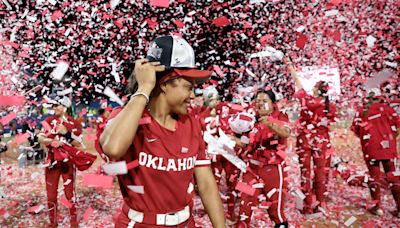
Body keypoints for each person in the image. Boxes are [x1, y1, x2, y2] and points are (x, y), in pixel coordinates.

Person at [97, 35, 225, 227]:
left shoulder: (191, 123)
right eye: (189, 87)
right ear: (165, 84)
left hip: (186, 223)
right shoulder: (129, 118)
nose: (192, 96)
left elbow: (206, 184)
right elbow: (113, 148)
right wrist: (145, 87)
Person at [286, 58, 337, 214]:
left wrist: (289, 65)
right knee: (321, 173)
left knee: (305, 173)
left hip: (305, 141)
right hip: (322, 142)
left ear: (316, 89)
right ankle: (320, 204)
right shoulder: (331, 106)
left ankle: (307, 206)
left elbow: (297, 81)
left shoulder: (307, 101)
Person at [38, 96, 96, 227]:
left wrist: (66, 133)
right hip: (52, 162)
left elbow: (79, 143)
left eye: (57, 105)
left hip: (67, 162)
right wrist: (50, 141)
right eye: (53, 105)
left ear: (65, 107)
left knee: (70, 194)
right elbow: (40, 138)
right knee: (51, 194)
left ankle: (73, 222)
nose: (54, 108)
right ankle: (53, 223)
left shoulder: (74, 123)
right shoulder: (48, 120)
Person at [235, 89, 290, 228]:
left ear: (273, 104)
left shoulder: (280, 116)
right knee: (244, 208)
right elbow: (248, 145)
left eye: (264, 101)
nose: (260, 104)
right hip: (251, 169)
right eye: (258, 101)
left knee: (275, 211)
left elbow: (286, 133)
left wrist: (270, 123)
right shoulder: (251, 119)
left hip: (273, 170)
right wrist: (231, 140)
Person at [351, 88, 400, 217]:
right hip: (388, 147)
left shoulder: (362, 111)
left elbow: (356, 131)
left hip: (371, 147)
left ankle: (378, 207)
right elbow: (397, 128)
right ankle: (399, 208)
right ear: (380, 97)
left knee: (374, 176)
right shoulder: (389, 110)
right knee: (392, 175)